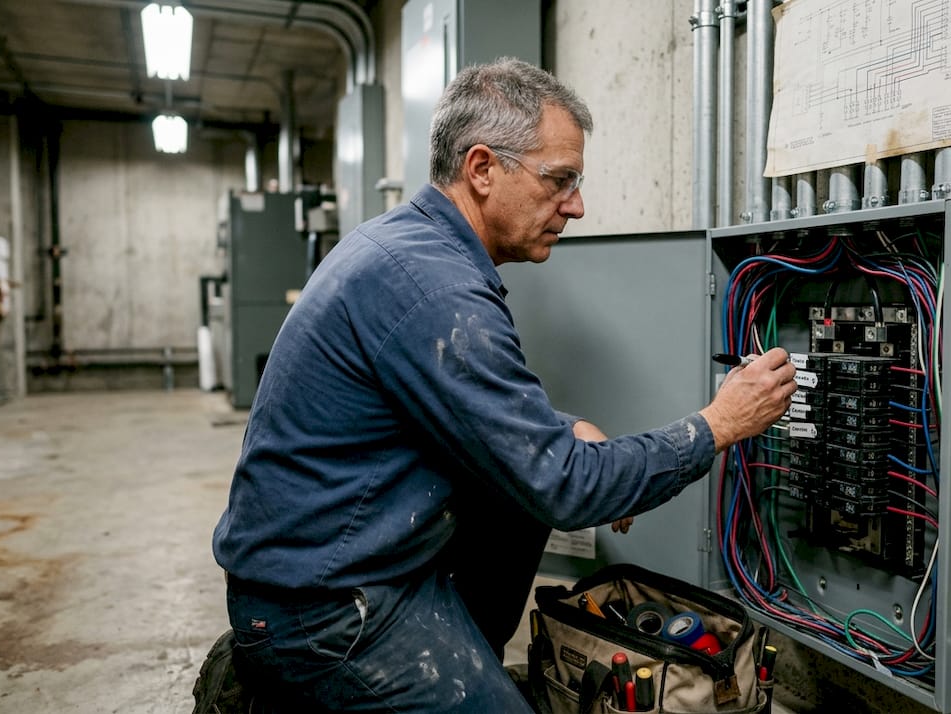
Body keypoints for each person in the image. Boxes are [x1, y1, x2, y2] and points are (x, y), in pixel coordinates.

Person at [211, 57, 797, 712]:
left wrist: (562, 427)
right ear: (483, 169)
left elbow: (475, 410)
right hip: (324, 610)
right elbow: (567, 485)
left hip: (350, 561)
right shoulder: (433, 287)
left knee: (521, 493)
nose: (576, 205)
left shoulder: (413, 247)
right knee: (542, 488)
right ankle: (292, 689)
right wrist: (719, 424)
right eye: (559, 181)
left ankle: (451, 670)